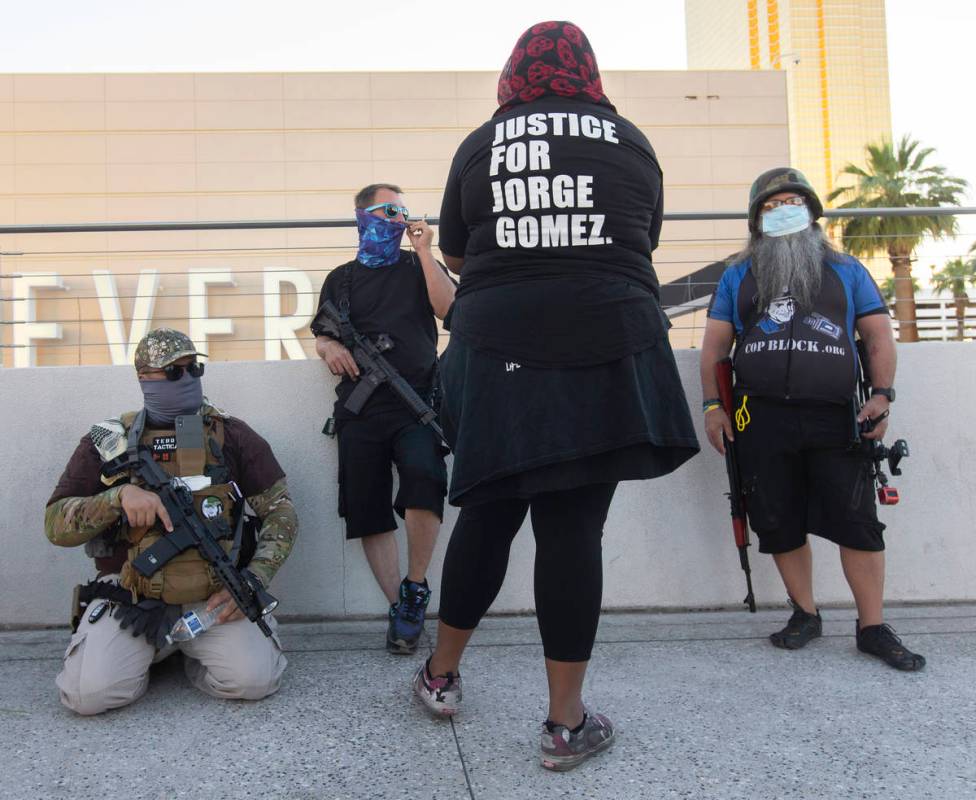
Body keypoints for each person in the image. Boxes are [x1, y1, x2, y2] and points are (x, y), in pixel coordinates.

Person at [410, 21, 700, 771]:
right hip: (607, 343)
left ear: (512, 75)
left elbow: (456, 252)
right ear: (589, 73)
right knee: (573, 530)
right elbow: (643, 239)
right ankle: (565, 726)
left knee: (488, 511)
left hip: (501, 346)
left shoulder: (482, 143)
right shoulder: (630, 140)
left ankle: (441, 677)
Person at [700, 167, 925, 671]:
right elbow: (716, 345)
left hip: (837, 417)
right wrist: (713, 407)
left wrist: (883, 396)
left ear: (812, 212)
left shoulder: (847, 271)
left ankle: (872, 627)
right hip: (757, 414)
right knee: (777, 519)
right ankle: (805, 613)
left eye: (792, 201)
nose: (783, 210)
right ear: (758, 219)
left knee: (857, 521)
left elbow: (877, 337)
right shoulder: (739, 274)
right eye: (771, 204)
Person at [45, 328, 299, 715]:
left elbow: (281, 511)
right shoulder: (108, 441)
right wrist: (118, 498)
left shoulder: (230, 435)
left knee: (254, 681)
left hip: (212, 596)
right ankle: (149, 652)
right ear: (144, 378)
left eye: (194, 369)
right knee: (87, 696)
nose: (189, 380)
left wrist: (252, 580)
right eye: (174, 372)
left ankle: (188, 652)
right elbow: (55, 524)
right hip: (132, 597)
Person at [311, 184, 456, 654]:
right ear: (363, 215)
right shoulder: (342, 279)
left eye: (404, 210)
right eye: (389, 209)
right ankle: (402, 609)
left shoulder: (418, 266)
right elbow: (323, 334)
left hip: (416, 403)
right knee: (366, 504)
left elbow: (447, 308)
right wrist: (328, 346)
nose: (399, 218)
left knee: (424, 481)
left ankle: (416, 587)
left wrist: (425, 249)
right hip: (360, 408)